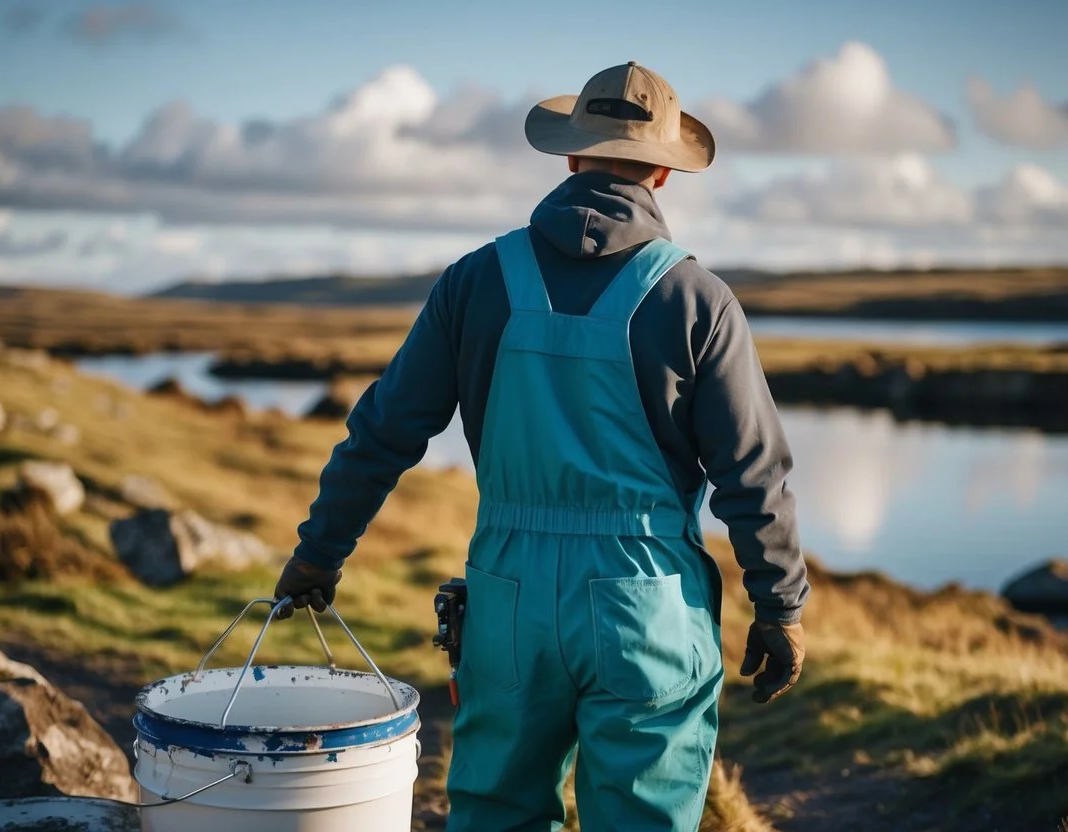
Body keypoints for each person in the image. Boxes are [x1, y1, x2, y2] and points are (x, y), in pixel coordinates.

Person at [274, 60, 810, 832]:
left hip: (508, 595)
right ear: (663, 171)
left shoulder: (474, 281)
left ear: (569, 157)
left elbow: (383, 432)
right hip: (645, 602)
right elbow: (752, 475)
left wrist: (320, 553)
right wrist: (778, 604)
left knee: (495, 814)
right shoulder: (699, 300)